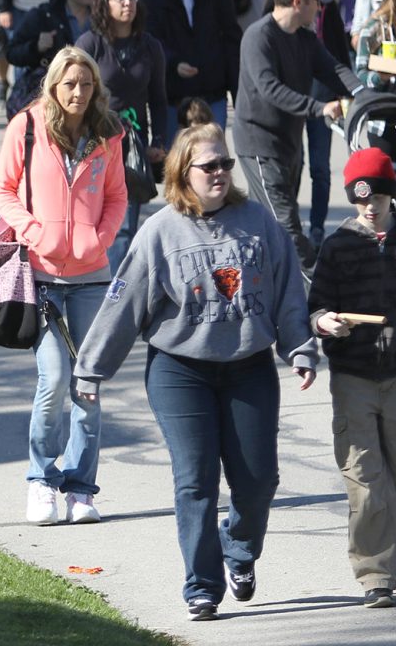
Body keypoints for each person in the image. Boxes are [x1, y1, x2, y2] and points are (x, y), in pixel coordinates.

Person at [72, 123, 319, 621]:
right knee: (196, 481)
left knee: (258, 481)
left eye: (225, 163)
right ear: (183, 173)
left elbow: (288, 289)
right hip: (180, 372)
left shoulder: (258, 223)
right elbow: (124, 303)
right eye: (209, 166)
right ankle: (202, 585)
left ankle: (240, 548)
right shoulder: (160, 231)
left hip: (249, 367)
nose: (221, 173)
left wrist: (300, 348)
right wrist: (90, 369)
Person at [0, 47, 128, 527]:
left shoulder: (108, 133)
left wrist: (100, 238)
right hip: (42, 276)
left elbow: (116, 196)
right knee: (54, 379)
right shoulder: (26, 128)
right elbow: (2, 189)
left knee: (87, 385)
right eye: (69, 84)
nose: (78, 92)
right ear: (53, 86)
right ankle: (41, 481)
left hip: (91, 276)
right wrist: (32, 231)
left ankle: (81, 489)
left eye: (86, 84)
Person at [308, 147, 396, 609]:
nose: (371, 207)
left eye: (380, 198)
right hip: (353, 377)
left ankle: (390, 542)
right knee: (366, 482)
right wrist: (324, 323)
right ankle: (376, 575)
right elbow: (317, 307)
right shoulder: (338, 245)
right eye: (361, 199)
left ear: (392, 195)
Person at [233, 0, 357, 269]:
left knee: (266, 224)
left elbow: (333, 69)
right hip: (260, 144)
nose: (320, 7)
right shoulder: (258, 37)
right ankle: (313, 296)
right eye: (317, 0)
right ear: (299, 1)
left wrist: (363, 93)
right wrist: (320, 108)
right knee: (286, 226)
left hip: (288, 143)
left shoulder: (304, 39)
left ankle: (258, 286)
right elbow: (269, 89)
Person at [77, 0, 167, 269]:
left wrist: (159, 142)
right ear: (105, 3)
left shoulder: (149, 46)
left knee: (124, 225)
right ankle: (91, 275)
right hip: (94, 143)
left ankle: (114, 291)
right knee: (91, 218)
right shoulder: (90, 43)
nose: (128, 2)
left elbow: (158, 99)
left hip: (131, 147)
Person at [279, 0, 352, 249]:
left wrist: (349, 91)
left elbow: (338, 49)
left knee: (320, 165)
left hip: (322, 89)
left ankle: (318, 227)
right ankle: (291, 226)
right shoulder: (279, 8)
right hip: (292, 90)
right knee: (294, 162)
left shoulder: (326, 2)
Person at [141, 0, 240, 139]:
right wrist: (174, 63)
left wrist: (236, 89)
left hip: (211, 88)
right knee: (177, 160)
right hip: (173, 93)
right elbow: (150, 38)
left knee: (212, 153)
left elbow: (231, 37)